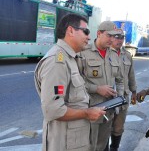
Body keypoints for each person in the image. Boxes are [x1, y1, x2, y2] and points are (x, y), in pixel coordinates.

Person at [34, 13, 106, 151]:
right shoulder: (57, 61)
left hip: (73, 140)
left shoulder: (69, 58)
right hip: (64, 143)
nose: (89, 37)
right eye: (85, 31)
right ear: (71, 31)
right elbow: (53, 110)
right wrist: (87, 113)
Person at [77, 21, 124, 151]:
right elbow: (75, 81)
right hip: (90, 110)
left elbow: (120, 80)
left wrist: (119, 100)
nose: (112, 39)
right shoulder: (83, 53)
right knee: (89, 147)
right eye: (109, 35)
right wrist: (97, 89)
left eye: (114, 36)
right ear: (99, 33)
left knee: (103, 145)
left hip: (109, 110)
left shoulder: (114, 55)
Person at [110, 29, 137, 151]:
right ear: (111, 37)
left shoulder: (127, 55)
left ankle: (114, 148)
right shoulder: (106, 53)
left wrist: (134, 91)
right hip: (108, 97)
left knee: (118, 127)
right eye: (117, 37)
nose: (120, 40)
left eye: (122, 37)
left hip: (124, 97)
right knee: (104, 128)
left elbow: (131, 75)